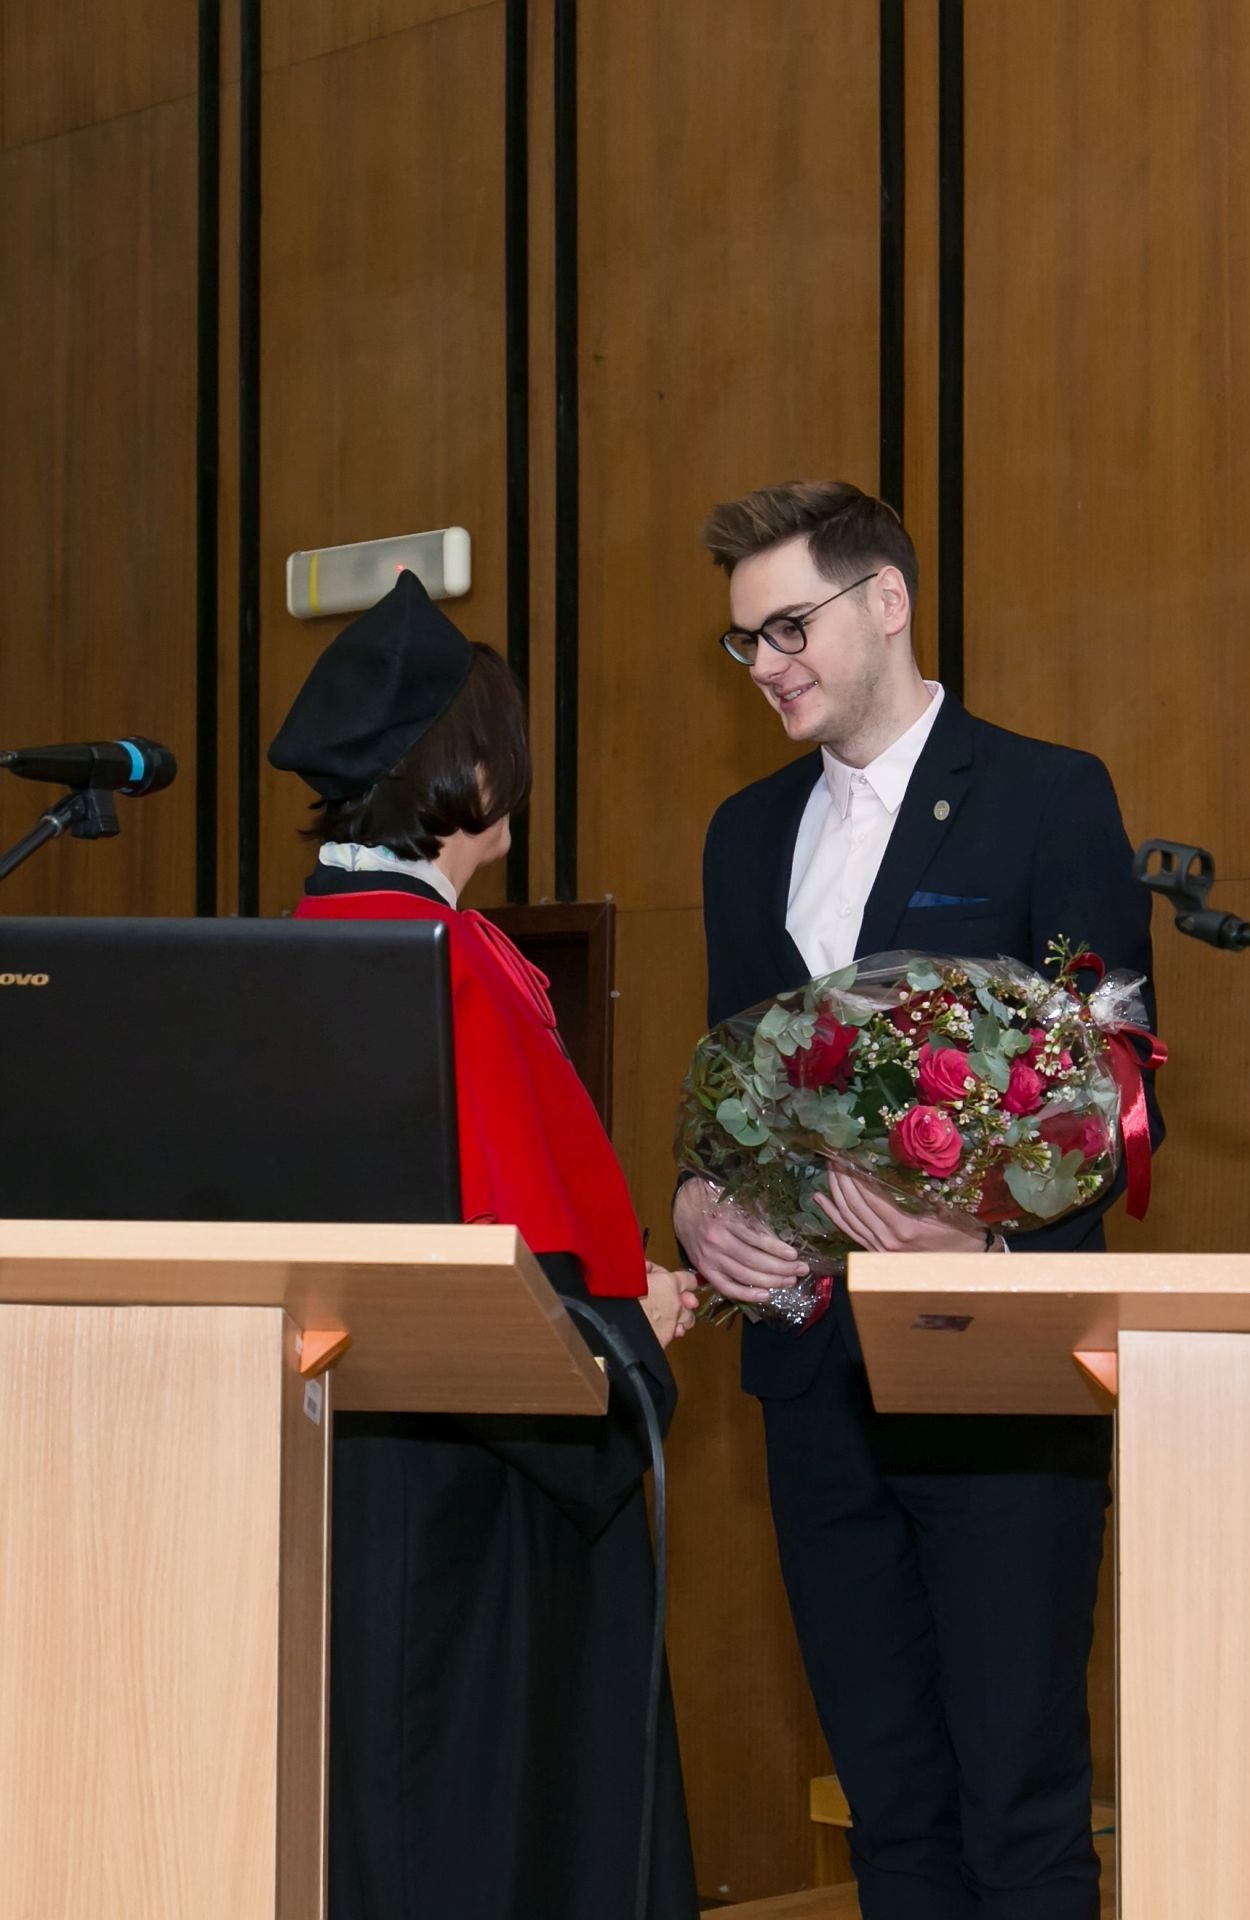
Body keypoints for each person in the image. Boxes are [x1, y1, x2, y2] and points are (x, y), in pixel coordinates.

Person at [673, 482, 1159, 1920]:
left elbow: (1120, 1084)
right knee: (888, 1806)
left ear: (886, 600)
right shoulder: (741, 834)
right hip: (809, 1380)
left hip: (995, 1379)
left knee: (1018, 1806)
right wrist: (696, 1204)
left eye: (789, 627)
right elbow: (727, 1089)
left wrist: (986, 1230)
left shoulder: (1048, 795)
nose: (765, 666)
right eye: (745, 642)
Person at [268, 568, 700, 1920]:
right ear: (469, 774)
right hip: (475, 1496)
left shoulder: (317, 941)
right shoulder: (438, 964)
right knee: (478, 1827)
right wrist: (625, 1342)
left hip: (352, 1462)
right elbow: (509, 1243)